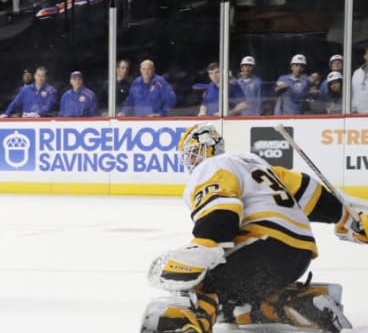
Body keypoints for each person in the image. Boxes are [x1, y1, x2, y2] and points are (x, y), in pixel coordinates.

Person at [141, 123, 358, 333]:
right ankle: (297, 304)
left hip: (262, 250)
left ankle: (187, 323)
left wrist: (205, 246)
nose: (190, 160)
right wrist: (350, 220)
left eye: (193, 153)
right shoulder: (259, 164)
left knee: (203, 283)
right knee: (238, 304)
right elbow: (311, 193)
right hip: (297, 256)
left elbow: (222, 208)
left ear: (209, 148)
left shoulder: (211, 166)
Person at [352, 47, 368, 113]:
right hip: (357, 115)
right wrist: (353, 109)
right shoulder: (356, 73)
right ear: (365, 56)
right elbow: (353, 93)